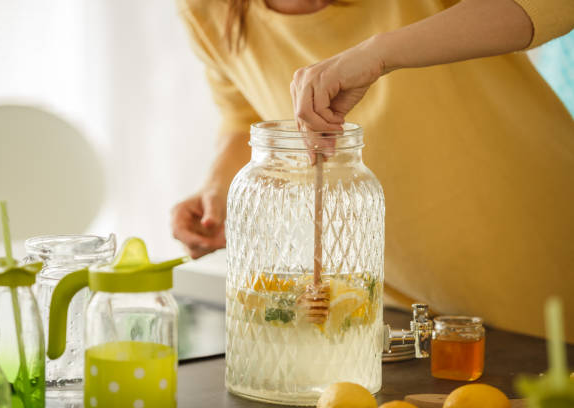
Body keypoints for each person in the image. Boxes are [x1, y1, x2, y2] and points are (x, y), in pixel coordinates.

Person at [172, 0, 574, 342]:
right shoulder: (210, 10)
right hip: (403, 311)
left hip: (546, 255)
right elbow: (242, 115)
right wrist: (217, 188)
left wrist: (381, 53)